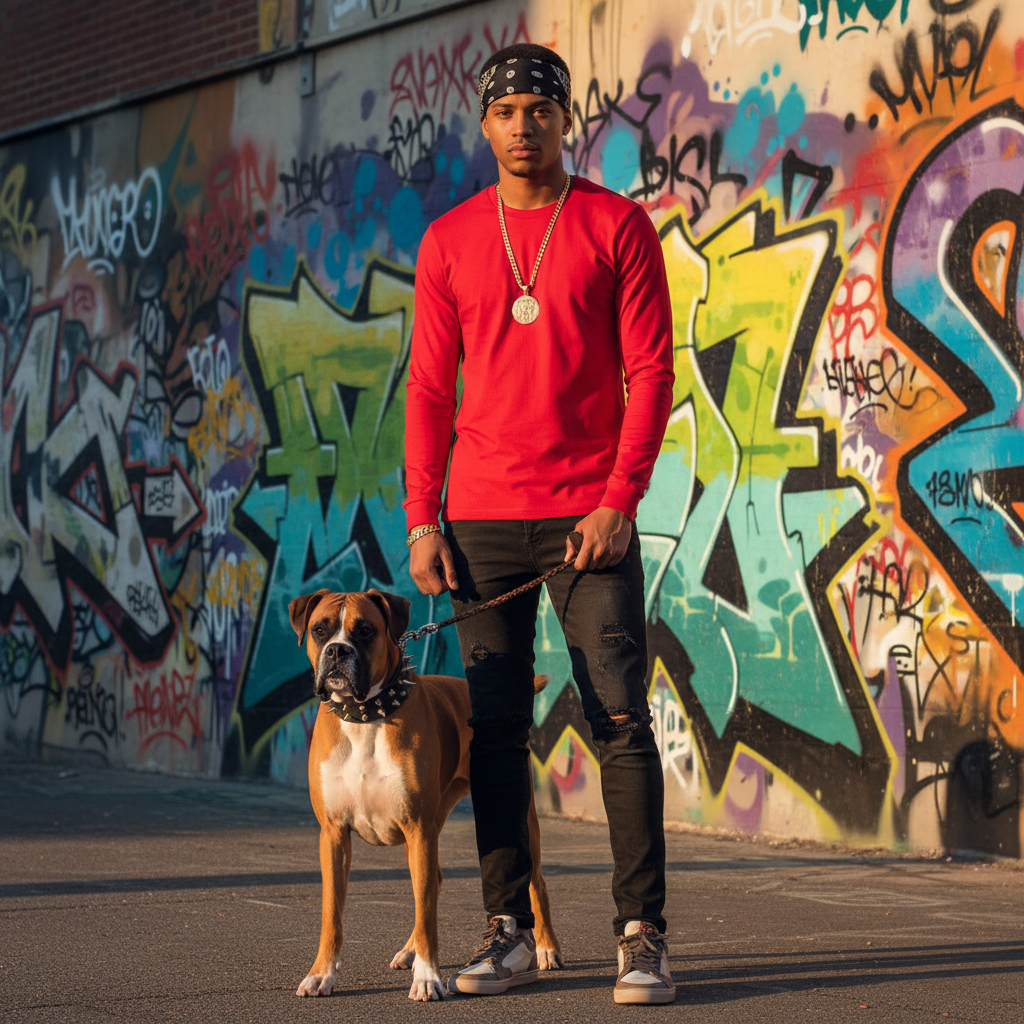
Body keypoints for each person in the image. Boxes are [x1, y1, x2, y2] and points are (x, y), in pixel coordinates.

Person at [403, 42, 675, 1005]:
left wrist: (618, 501)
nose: (525, 124)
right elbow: (431, 388)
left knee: (618, 721)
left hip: (587, 521)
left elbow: (651, 374)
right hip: (478, 520)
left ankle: (641, 937)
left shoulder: (615, 225)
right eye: (507, 110)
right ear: (486, 126)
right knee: (498, 730)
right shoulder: (448, 242)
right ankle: (508, 930)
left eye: (541, 109)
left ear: (568, 121)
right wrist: (420, 523)